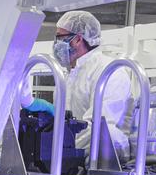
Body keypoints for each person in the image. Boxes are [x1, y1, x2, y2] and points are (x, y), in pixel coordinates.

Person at [54, 10, 134, 163]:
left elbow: (98, 127)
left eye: (60, 37)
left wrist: (59, 149)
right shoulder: (69, 75)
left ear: (77, 39)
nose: (56, 44)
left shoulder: (109, 71)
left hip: (106, 158)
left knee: (104, 131)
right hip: (71, 154)